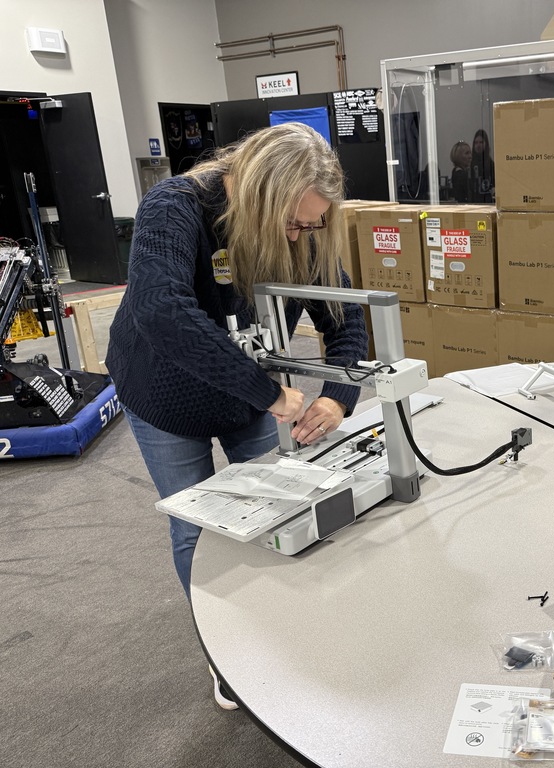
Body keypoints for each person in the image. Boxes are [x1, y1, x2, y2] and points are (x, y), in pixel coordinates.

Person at [106, 123, 368, 705]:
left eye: (311, 225)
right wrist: (269, 393)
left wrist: (336, 396)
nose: (300, 235)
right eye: (293, 222)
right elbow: (161, 309)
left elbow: (348, 320)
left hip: (244, 394)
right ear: (260, 196)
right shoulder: (177, 207)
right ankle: (223, 651)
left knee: (278, 506)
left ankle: (276, 626)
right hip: (163, 393)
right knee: (196, 528)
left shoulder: (304, 233)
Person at [469, 128, 495, 203]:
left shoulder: (490, 163)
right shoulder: (471, 162)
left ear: (486, 144)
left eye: (481, 142)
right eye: (476, 143)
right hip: (474, 200)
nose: (478, 145)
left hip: (487, 200)